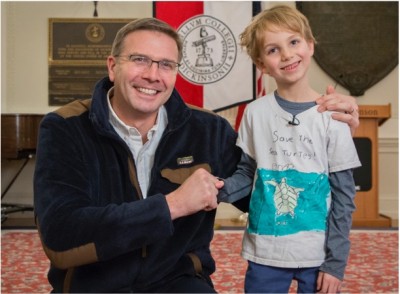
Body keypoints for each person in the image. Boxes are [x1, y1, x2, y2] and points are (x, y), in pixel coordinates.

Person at [33, 17, 360, 293]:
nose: (152, 75)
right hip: (95, 285)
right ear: (112, 65)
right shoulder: (65, 128)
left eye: (165, 64)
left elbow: (262, 188)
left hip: (180, 281)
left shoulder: (209, 130)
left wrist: (326, 135)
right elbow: (61, 236)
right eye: (140, 60)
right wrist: (173, 205)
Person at [217, 5, 361, 294]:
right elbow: (247, 172)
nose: (286, 55)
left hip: (317, 253)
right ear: (261, 63)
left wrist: (335, 263)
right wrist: (215, 189)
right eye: (273, 49)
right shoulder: (255, 113)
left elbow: (344, 197)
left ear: (309, 45)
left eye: (293, 42)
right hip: (265, 247)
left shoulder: (334, 116)